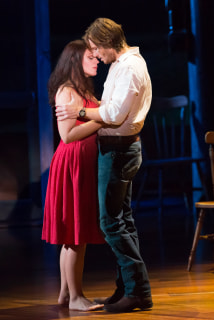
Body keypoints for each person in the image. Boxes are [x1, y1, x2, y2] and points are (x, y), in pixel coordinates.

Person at [55, 18, 153, 313]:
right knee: (120, 221)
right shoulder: (120, 67)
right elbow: (73, 131)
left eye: (97, 49)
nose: (96, 55)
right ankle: (128, 288)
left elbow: (114, 114)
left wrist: (82, 110)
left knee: (112, 223)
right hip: (115, 149)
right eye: (90, 52)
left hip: (120, 150)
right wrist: (88, 110)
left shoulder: (129, 68)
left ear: (108, 42)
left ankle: (137, 291)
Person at [42, 39, 104, 311]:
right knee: (75, 236)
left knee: (75, 234)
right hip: (72, 165)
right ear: (75, 61)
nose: (97, 61)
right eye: (91, 57)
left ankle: (66, 294)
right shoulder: (67, 92)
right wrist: (99, 120)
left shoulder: (82, 89)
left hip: (81, 164)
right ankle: (77, 298)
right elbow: (67, 135)